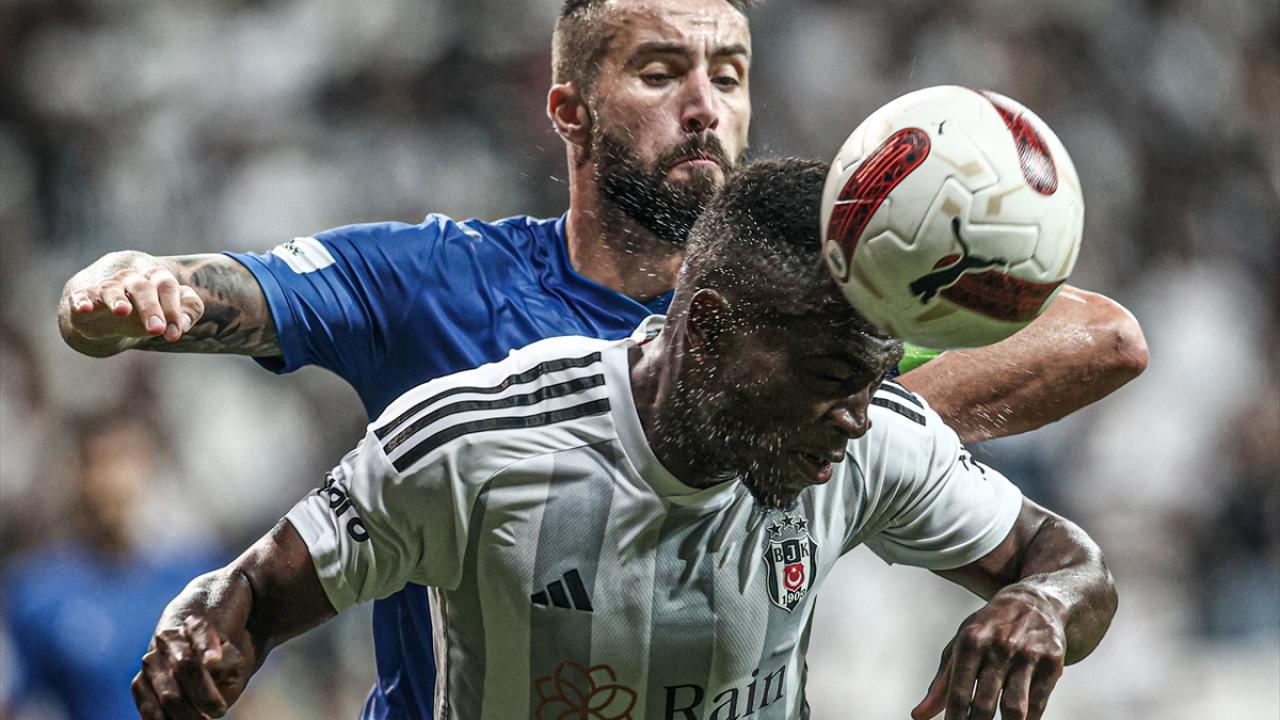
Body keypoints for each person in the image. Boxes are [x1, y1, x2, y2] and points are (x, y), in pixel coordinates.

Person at [59, 0, 1145, 715]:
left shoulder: (820, 310)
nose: (705, 107)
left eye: (730, 74)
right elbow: (224, 294)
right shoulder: (445, 300)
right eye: (662, 72)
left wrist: (827, 423)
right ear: (568, 112)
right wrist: (136, 284)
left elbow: (1103, 336)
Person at [3, 412, 224, 719]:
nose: (112, 483)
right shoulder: (37, 592)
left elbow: (251, 696)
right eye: (97, 463)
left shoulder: (198, 576)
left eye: (124, 461)